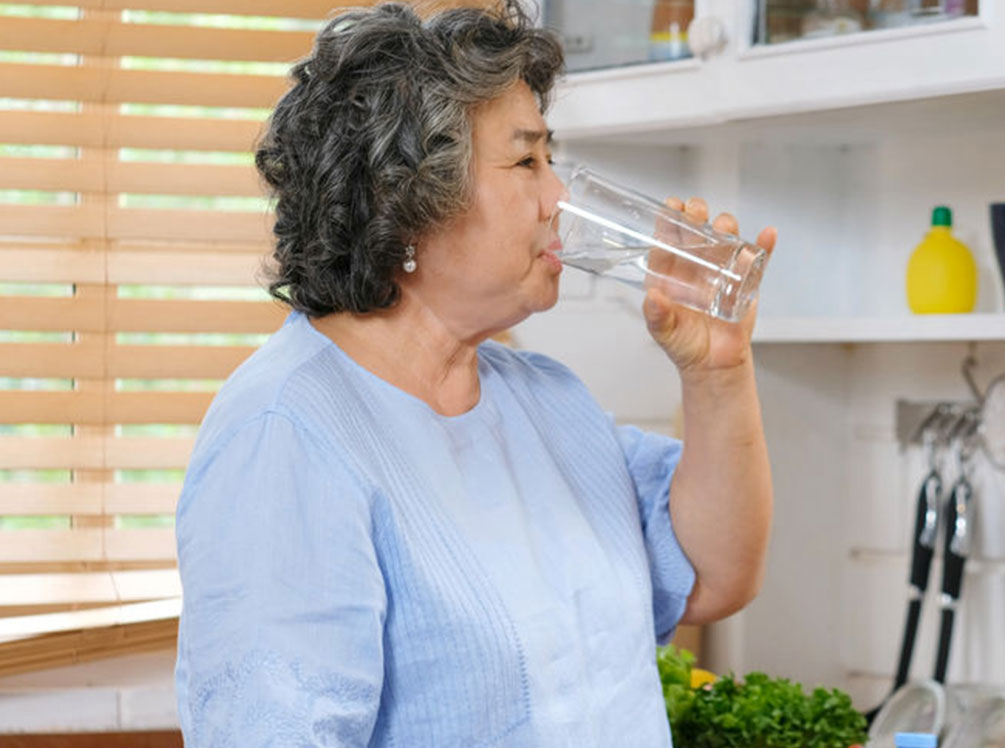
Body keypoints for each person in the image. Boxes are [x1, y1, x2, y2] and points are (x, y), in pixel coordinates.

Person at [173, 2, 776, 745]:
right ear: (409, 199)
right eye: (526, 161)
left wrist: (718, 377)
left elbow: (714, 578)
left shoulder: (545, 400)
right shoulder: (284, 433)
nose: (558, 197)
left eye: (550, 160)